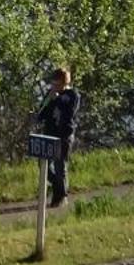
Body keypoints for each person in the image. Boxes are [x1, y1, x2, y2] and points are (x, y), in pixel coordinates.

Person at [36, 66, 80, 206]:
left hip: (63, 135)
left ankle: (60, 196)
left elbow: (70, 114)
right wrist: (45, 104)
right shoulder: (51, 93)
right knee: (44, 165)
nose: (55, 86)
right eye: (54, 83)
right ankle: (58, 188)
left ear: (65, 82)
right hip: (50, 133)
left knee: (61, 166)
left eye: (58, 84)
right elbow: (42, 112)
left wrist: (58, 100)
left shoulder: (73, 95)